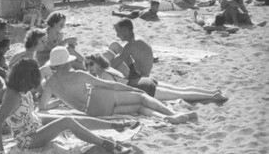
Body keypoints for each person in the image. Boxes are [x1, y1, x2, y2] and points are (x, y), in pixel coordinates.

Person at [0, 59, 132, 154]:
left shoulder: (19, 85)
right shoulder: (12, 96)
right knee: (67, 121)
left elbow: (40, 69)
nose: (33, 88)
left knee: (73, 119)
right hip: (28, 139)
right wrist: (0, 150)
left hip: (34, 121)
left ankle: (114, 126)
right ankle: (106, 144)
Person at [40, 47, 197, 124]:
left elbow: (42, 108)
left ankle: (165, 118)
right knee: (141, 97)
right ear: (67, 62)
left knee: (139, 109)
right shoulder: (78, 75)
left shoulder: (49, 84)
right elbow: (109, 85)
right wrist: (131, 89)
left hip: (92, 112)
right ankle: (172, 114)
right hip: (98, 99)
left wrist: (59, 101)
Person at [84, 53, 227, 102]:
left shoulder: (103, 75)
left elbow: (114, 92)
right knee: (180, 89)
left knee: (181, 94)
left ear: (98, 62)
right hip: (144, 80)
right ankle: (211, 92)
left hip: (142, 87)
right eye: (87, 65)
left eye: (91, 64)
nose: (89, 68)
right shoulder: (109, 68)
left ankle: (213, 97)